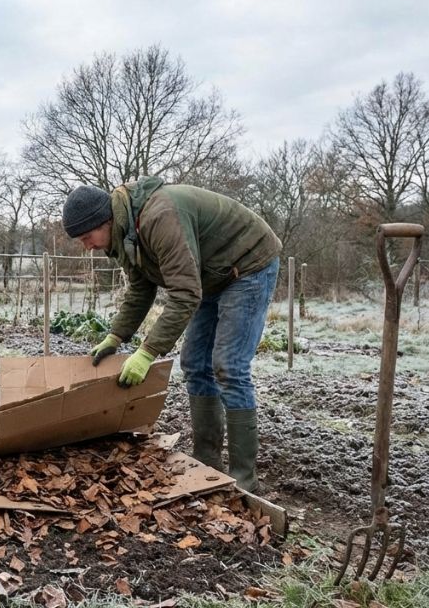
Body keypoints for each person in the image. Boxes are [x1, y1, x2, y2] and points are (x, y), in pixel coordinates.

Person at [62, 177, 281, 492]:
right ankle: (207, 462)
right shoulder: (124, 235)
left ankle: (245, 480)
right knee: (194, 363)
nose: (87, 246)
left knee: (229, 365)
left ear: (105, 220)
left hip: (247, 265)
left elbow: (185, 294)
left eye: (87, 237)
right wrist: (116, 336)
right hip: (210, 274)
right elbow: (141, 289)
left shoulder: (159, 218)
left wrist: (147, 352)